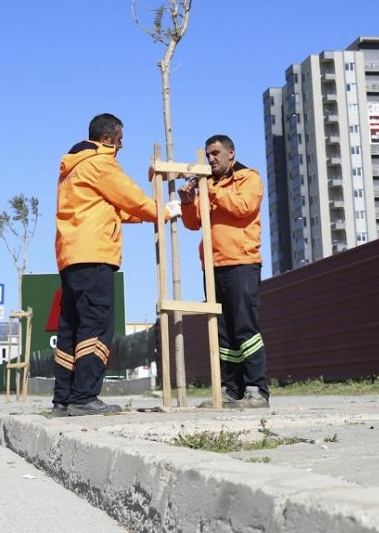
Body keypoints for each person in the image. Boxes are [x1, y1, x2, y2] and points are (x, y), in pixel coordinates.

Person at [51, 113, 177, 417]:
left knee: (71, 328)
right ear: (107, 138)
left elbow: (111, 208)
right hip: (95, 254)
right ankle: (84, 398)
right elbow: (131, 198)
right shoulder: (100, 163)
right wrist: (163, 211)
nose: (121, 146)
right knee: (96, 326)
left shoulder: (73, 166)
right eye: (120, 139)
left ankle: (63, 400)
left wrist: (149, 214)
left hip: (71, 255)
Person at [174, 134, 269, 409]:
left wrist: (209, 189)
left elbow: (243, 207)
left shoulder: (248, 178)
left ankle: (256, 389)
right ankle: (232, 389)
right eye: (208, 155)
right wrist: (188, 201)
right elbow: (194, 223)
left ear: (231, 153)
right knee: (224, 332)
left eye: (215, 153)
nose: (211, 159)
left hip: (242, 263)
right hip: (213, 265)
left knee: (244, 327)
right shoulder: (210, 186)